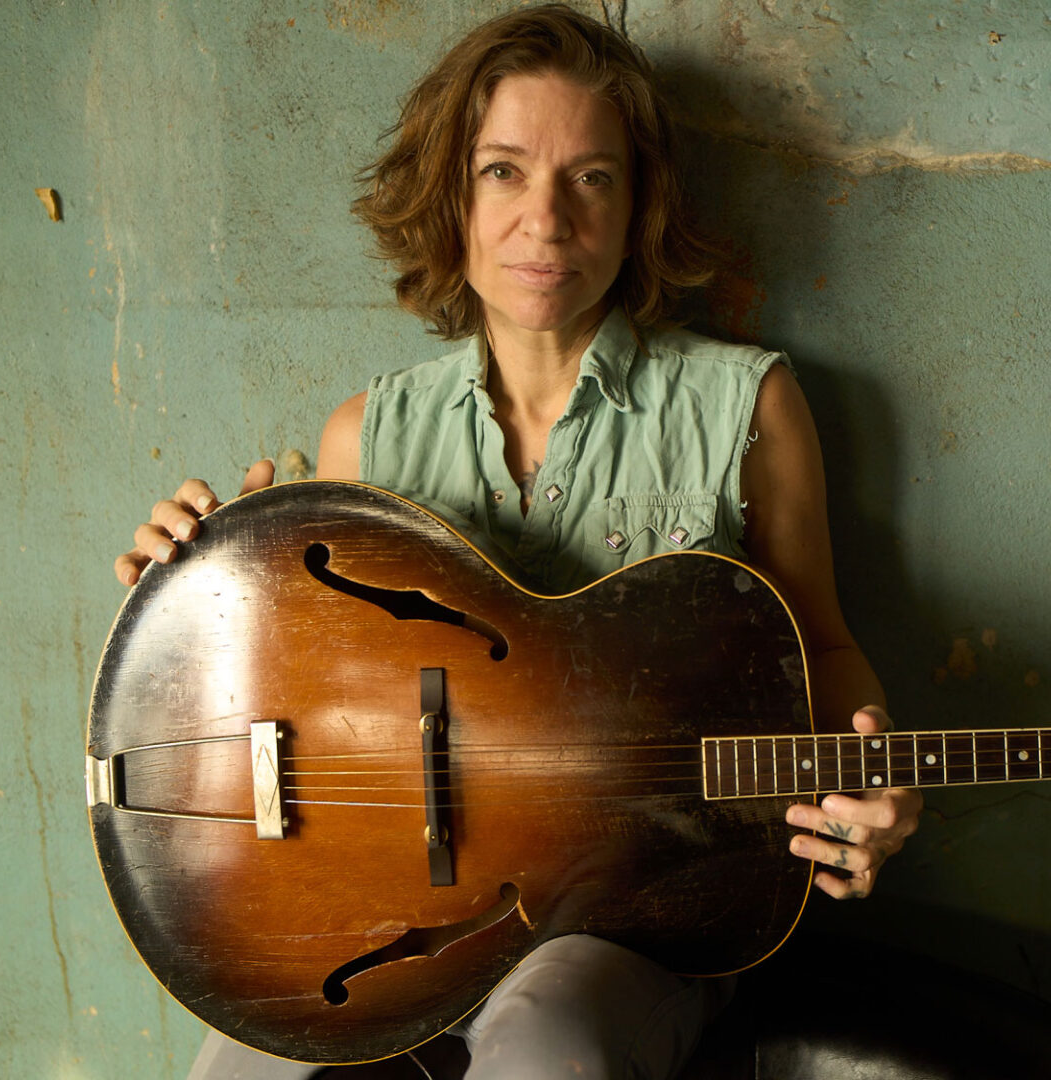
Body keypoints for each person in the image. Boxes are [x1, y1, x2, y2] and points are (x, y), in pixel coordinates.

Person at [112, 6, 922, 1078]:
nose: (545, 221)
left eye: (590, 178)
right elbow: (287, 699)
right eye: (503, 171)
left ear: (637, 209)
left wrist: (870, 788)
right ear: (452, 195)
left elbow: (819, 647)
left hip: (635, 918)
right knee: (239, 1065)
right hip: (407, 919)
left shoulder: (748, 406)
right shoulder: (367, 435)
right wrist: (189, 586)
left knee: (545, 1035)